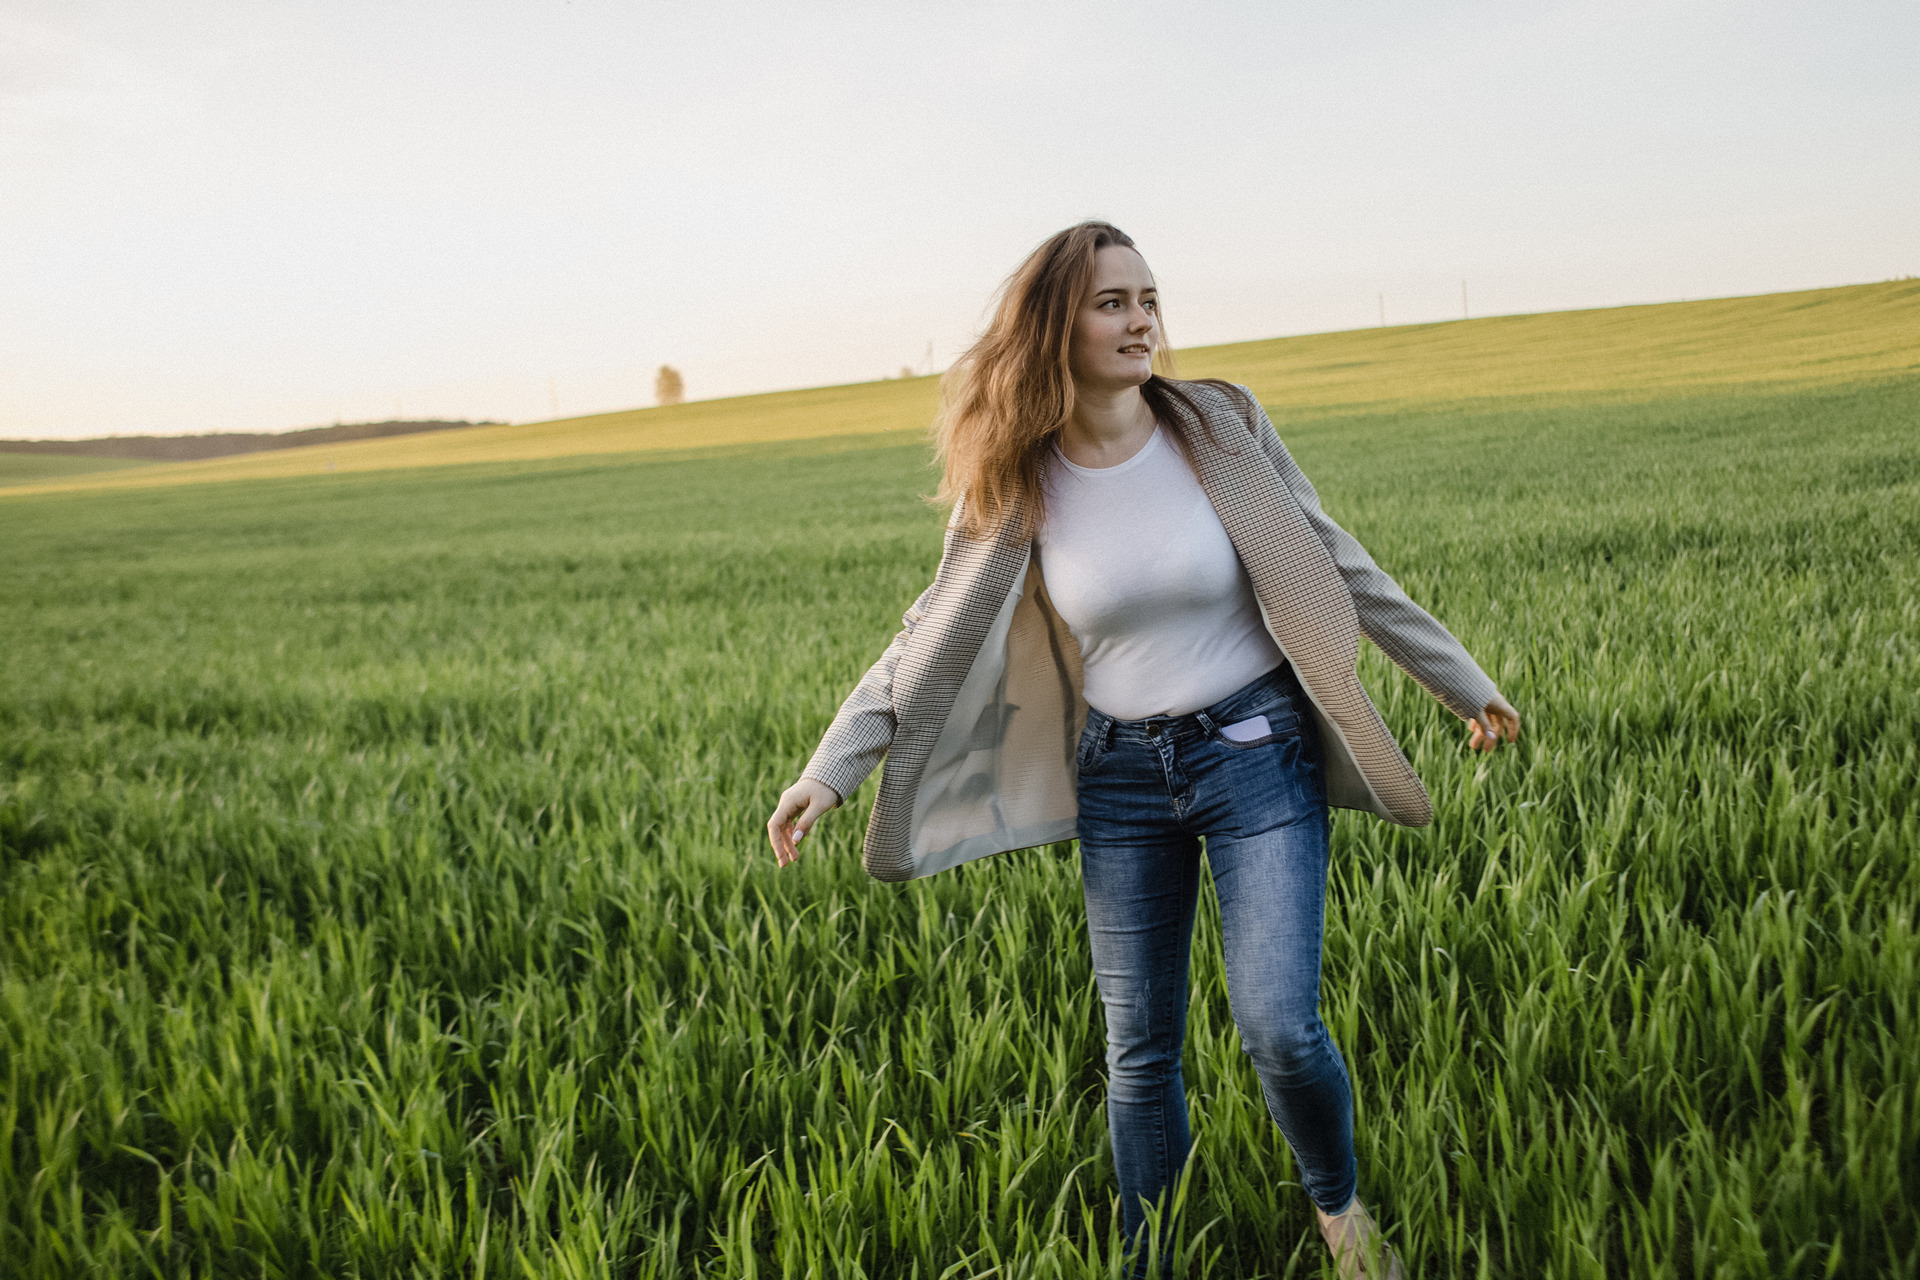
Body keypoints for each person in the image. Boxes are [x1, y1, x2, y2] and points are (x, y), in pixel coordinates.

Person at [767, 221, 1519, 1279]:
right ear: (1054, 327)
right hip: (1120, 776)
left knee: (1278, 1026)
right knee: (1139, 1050)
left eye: (1149, 298)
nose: (1142, 320)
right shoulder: (1021, 479)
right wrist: (829, 768)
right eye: (1112, 301)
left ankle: (1340, 1212)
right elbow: (926, 630)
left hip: (1257, 751)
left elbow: (1330, 557)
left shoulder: (1219, 423)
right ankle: (1150, 1254)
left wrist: (1457, 675)